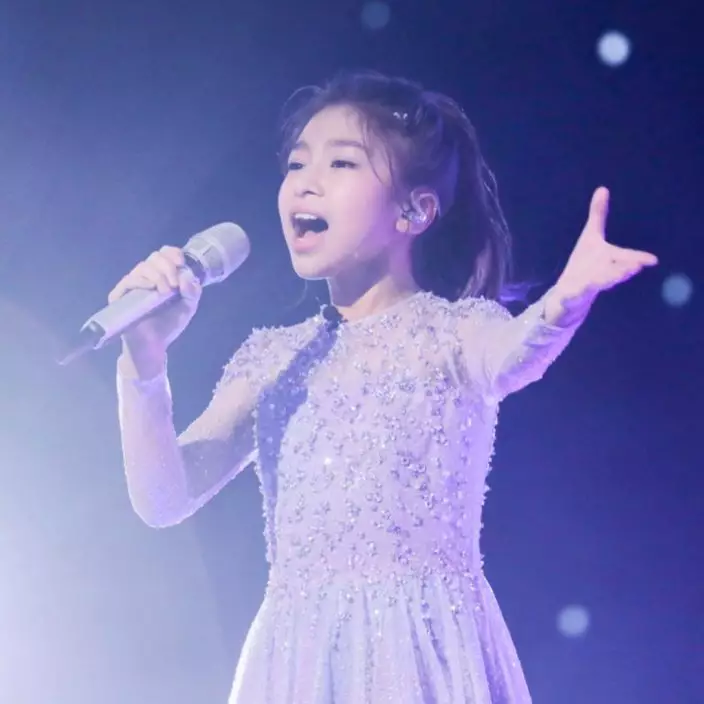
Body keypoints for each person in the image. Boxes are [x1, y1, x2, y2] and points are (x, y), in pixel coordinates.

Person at [111, 70, 657, 703]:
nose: (305, 182)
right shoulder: (272, 360)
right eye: (297, 164)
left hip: (423, 656)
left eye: (342, 162)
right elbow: (163, 498)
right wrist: (143, 361)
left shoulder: (453, 333)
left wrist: (566, 300)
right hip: (300, 666)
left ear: (414, 210)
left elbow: (515, 357)